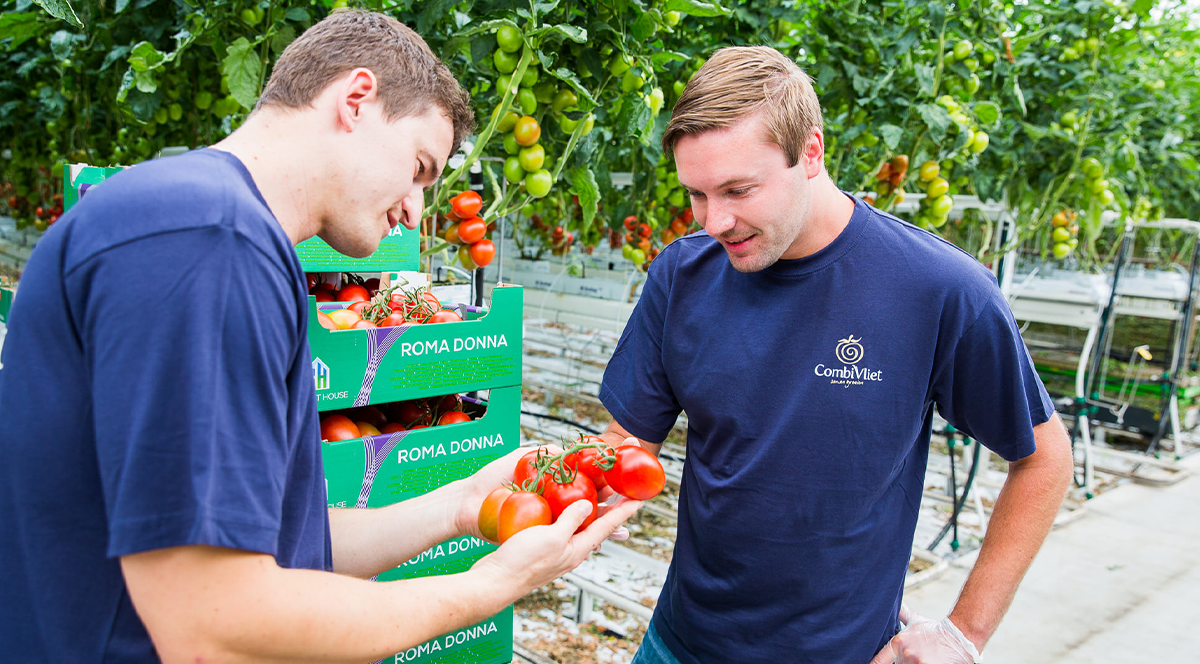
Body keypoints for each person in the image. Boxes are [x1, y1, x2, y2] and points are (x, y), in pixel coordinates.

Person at [0, 10, 640, 663]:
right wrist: (487, 589)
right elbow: (211, 623)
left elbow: (287, 547)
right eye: (421, 167)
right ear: (355, 100)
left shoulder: (227, 234)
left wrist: (463, 505)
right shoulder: (207, 241)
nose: (416, 210)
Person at [596, 46, 1074, 664]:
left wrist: (964, 633)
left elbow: (1044, 458)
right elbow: (626, 446)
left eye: (739, 189)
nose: (715, 221)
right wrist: (561, 493)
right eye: (696, 194)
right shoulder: (682, 276)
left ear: (812, 153)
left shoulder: (936, 289)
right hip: (679, 644)